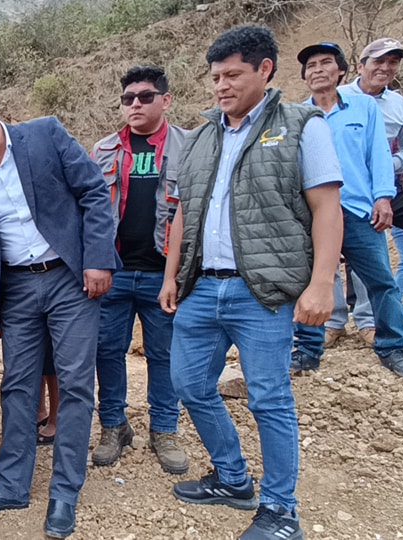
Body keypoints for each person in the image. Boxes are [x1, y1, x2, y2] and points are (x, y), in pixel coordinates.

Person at [158, 26, 343, 540]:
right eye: (215, 76)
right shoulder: (200, 138)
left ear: (265, 70)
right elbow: (180, 214)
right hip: (200, 288)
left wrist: (322, 283)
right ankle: (234, 479)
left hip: (262, 291)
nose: (221, 85)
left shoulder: (303, 125)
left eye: (232, 74)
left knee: (268, 399)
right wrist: (173, 275)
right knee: (189, 385)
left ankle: (282, 510)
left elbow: (327, 208)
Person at [0, 88, 117, 539]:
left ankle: (65, 491)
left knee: (73, 383)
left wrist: (99, 259)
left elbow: (92, 193)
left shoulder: (45, 135)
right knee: (17, 385)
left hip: (69, 276)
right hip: (15, 289)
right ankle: (12, 484)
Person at [291, 42, 403, 379]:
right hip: (313, 213)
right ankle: (307, 349)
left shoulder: (364, 107)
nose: (317, 70)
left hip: (357, 209)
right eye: (311, 66)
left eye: (325, 63)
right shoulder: (298, 116)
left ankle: (393, 346)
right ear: (304, 76)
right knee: (311, 281)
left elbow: (378, 154)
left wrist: (382, 197)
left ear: (341, 72)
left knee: (381, 280)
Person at [88, 65, 189, 474]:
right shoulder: (105, 150)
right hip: (115, 271)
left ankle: (164, 430)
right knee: (107, 352)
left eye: (145, 96)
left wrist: (179, 274)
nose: (135, 104)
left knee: (164, 356)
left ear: (165, 100)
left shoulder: (190, 145)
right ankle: (114, 426)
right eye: (128, 98)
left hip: (163, 272)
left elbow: (192, 210)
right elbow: (92, 211)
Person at [340, 38, 403, 336]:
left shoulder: (399, 104)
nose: (385, 67)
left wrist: (395, 169)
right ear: (361, 65)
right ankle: (353, 315)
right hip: (346, 188)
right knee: (358, 242)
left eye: (393, 62)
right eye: (378, 61)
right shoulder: (338, 96)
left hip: (390, 186)